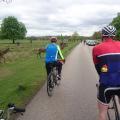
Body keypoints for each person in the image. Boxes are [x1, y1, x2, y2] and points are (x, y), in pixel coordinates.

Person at [92, 25, 120, 120]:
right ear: (114, 35)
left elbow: (98, 67)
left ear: (103, 35)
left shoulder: (96, 48)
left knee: (102, 113)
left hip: (106, 85)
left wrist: (104, 74)